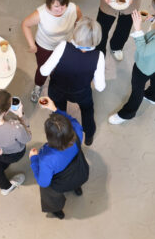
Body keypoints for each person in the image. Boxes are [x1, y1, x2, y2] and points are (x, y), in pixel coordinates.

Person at [108, 0, 155, 125]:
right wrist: (154, 18)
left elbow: (143, 51)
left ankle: (127, 113)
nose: (151, 9)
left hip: (147, 64)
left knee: (137, 89)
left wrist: (137, 29)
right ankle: (154, 96)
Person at [40, 18, 106, 147]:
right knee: (87, 111)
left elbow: (43, 71)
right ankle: (89, 137)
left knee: (58, 112)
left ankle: (62, 134)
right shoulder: (98, 56)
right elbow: (100, 87)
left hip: (57, 89)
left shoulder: (63, 46)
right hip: (81, 92)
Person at [29, 98, 90, 219]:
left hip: (61, 184)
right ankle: (77, 188)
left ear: (49, 137)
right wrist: (55, 109)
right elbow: (71, 120)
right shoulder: (77, 130)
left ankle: (57, 210)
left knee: (49, 194)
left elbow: (43, 182)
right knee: (75, 180)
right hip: (80, 171)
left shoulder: (47, 159)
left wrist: (34, 159)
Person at [21, 0, 83, 102]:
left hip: (65, 46)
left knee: (61, 69)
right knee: (43, 68)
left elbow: (79, 21)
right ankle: (38, 86)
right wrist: (32, 45)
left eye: (63, 6)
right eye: (56, 6)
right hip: (45, 47)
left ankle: (58, 87)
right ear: (49, 3)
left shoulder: (74, 9)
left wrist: (76, 38)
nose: (60, 10)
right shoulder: (41, 13)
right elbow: (25, 24)